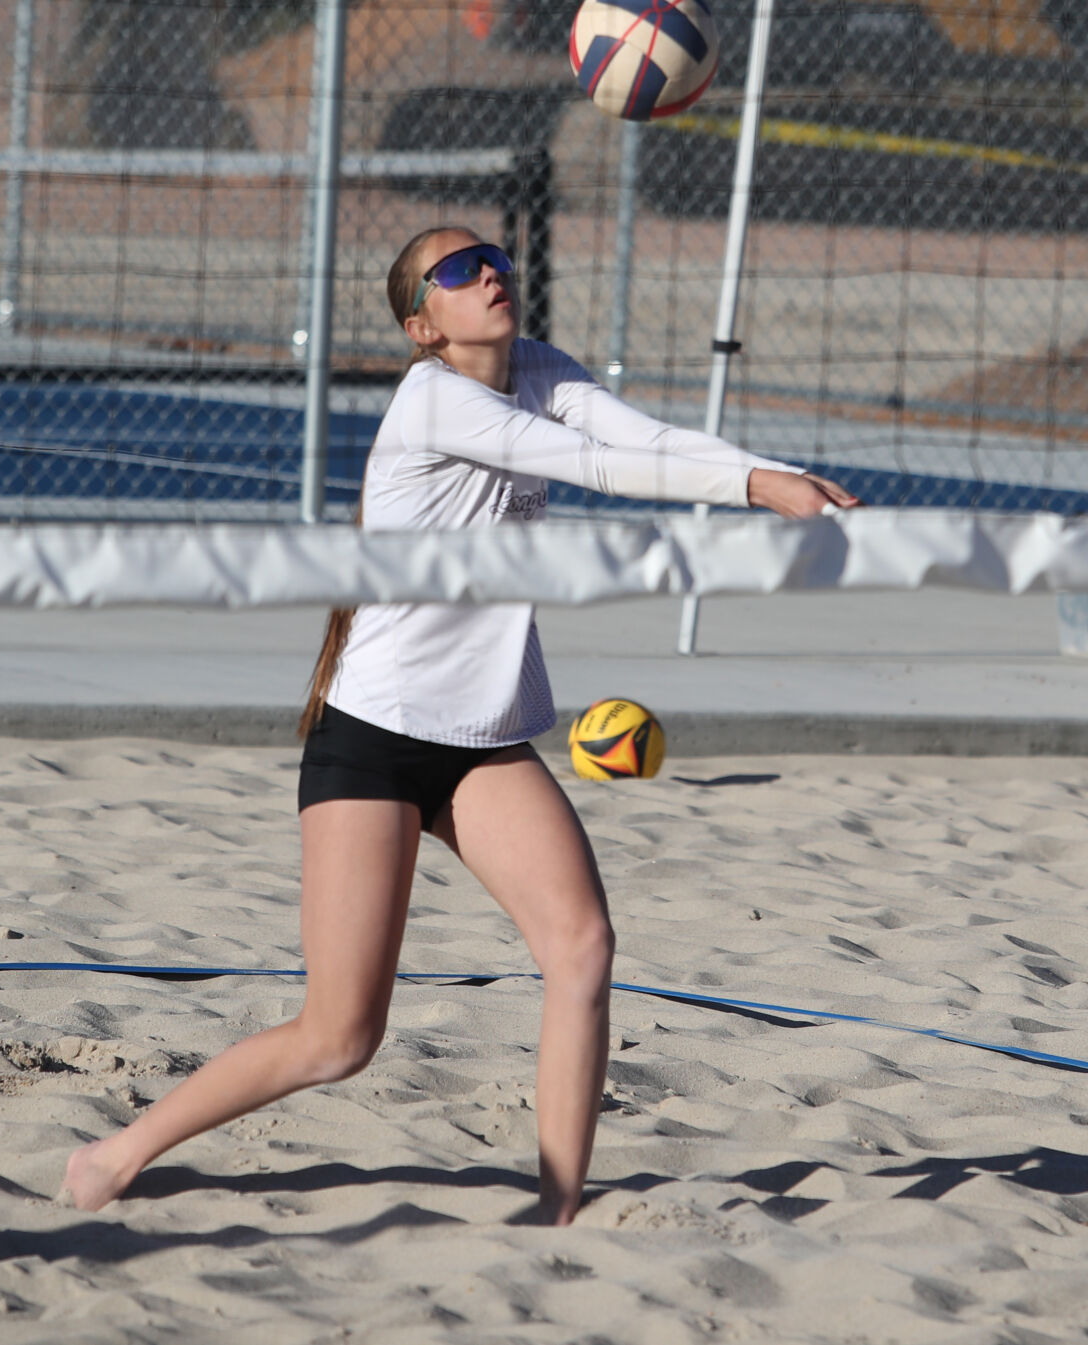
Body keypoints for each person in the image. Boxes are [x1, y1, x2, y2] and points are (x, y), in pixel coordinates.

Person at [64, 224, 858, 1223]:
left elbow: (643, 439)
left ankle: (558, 1209)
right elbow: (591, 467)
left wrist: (769, 469)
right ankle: (118, 1151)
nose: (486, 272)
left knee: (582, 947)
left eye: (490, 256)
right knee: (341, 1038)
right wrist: (751, 484)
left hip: (480, 739)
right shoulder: (435, 399)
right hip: (375, 737)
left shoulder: (534, 368)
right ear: (422, 325)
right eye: (453, 270)